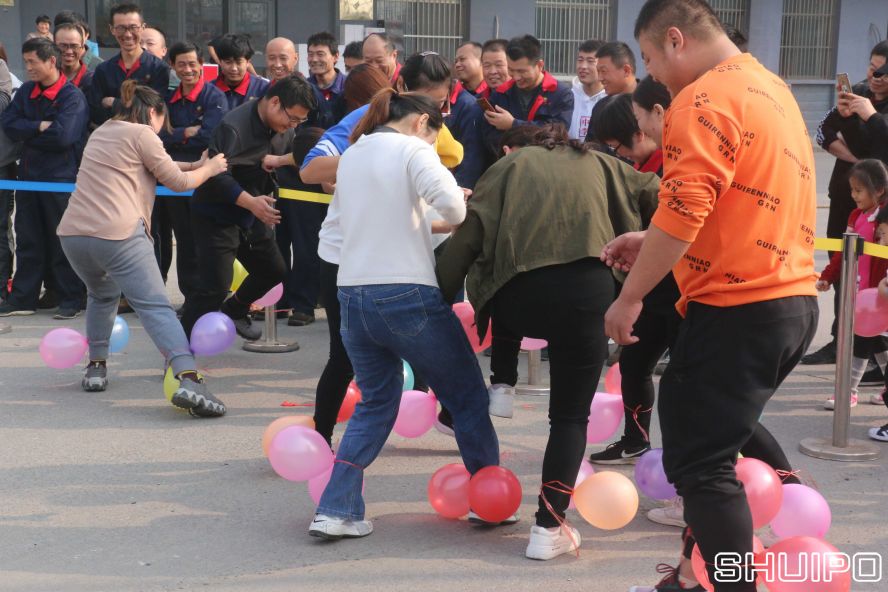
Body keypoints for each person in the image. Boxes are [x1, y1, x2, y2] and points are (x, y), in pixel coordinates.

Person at [602, 2, 818, 591]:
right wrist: (652, 240)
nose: (653, 73)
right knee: (711, 454)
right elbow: (732, 202)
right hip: (789, 299)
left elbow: (685, 208)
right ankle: (690, 579)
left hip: (738, 308)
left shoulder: (700, 99)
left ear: (676, 39)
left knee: (700, 465)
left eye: (650, 58)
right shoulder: (769, 86)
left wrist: (630, 297)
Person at [437, 123, 660, 560]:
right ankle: (548, 527)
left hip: (519, 301)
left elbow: (470, 233)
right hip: (588, 294)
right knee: (569, 418)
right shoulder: (606, 164)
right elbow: (661, 195)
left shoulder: (510, 165)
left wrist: (440, 296)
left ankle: (502, 382)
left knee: (501, 295)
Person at [309, 89, 500, 540]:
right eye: (435, 137)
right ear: (421, 123)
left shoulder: (354, 155)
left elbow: (356, 223)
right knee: (467, 396)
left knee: (375, 403)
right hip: (408, 292)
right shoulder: (414, 150)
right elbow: (453, 207)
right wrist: (457, 199)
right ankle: (489, 501)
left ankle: (336, 510)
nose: (433, 146)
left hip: (353, 294)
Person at [56, 79, 228, 416]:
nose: (162, 129)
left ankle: (96, 367)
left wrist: (195, 165)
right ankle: (189, 378)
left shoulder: (102, 131)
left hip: (74, 236)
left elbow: (156, 166)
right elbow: (178, 183)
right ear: (152, 113)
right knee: (156, 307)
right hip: (118, 234)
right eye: (163, 121)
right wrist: (210, 169)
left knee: (101, 296)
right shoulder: (143, 133)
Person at [179, 75, 316, 341]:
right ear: (275, 103)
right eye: (292, 119)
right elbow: (216, 175)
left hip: (253, 210)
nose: (293, 126)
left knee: (273, 270)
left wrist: (279, 162)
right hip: (217, 213)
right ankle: (180, 349)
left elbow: (291, 156)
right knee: (214, 287)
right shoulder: (234, 127)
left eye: (299, 122)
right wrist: (251, 202)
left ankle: (235, 310)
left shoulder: (285, 128)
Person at [586, 86, 676, 468]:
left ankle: (686, 460)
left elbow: (675, 232)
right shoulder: (638, 169)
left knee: (684, 385)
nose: (618, 154)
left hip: (683, 290)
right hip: (649, 287)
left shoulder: (675, 167)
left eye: (618, 146)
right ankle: (636, 441)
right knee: (635, 365)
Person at [803, 40, 888, 365]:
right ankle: (841, 340)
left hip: (880, 210)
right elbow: (823, 133)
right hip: (843, 200)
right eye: (872, 68)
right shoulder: (858, 93)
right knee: (843, 269)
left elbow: (881, 147)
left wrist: (871, 117)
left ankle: (873, 352)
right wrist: (860, 164)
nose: (875, 77)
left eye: (883, 72)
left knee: (875, 278)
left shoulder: (873, 110)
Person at [0, 38, 89, 319]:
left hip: (59, 179)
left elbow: (63, 136)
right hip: (28, 177)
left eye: (32, 62)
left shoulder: (72, 96)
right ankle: (23, 298)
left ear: (51, 61)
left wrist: (28, 134)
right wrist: (38, 126)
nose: (28, 68)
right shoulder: (27, 91)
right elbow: (9, 125)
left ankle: (71, 298)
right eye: (26, 62)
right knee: (29, 239)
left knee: (62, 241)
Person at [815, 159, 888, 409]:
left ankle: (848, 392)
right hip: (859, 293)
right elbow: (843, 251)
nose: (854, 195)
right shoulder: (856, 216)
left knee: (862, 342)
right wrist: (828, 276)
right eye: (852, 190)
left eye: (859, 190)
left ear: (879, 190)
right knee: (877, 343)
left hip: (879, 294)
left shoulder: (884, 219)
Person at [159, 42, 228, 304]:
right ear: (172, 66)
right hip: (173, 179)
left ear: (201, 64)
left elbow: (210, 136)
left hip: (204, 178)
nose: (187, 70)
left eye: (192, 64)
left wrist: (176, 135)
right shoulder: (167, 99)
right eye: (181, 64)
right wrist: (186, 132)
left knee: (206, 239)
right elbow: (157, 135)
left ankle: (210, 296)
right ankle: (190, 298)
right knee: (184, 239)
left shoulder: (214, 97)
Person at [482, 35, 573, 153]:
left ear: (539, 65)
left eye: (522, 71)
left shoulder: (561, 93)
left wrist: (514, 124)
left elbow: (557, 132)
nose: (516, 77)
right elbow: (490, 134)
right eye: (511, 70)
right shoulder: (500, 93)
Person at [87, 3, 170, 127]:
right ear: (112, 29)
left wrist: (114, 103)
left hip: (145, 136)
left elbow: (153, 112)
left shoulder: (158, 68)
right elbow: (96, 113)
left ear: (142, 28)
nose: (128, 34)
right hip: (112, 136)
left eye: (133, 27)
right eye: (121, 28)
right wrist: (135, 106)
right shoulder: (103, 70)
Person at [213, 34, 270, 111]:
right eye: (228, 62)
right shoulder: (209, 91)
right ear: (220, 62)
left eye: (239, 62)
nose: (234, 68)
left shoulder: (263, 89)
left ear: (248, 62)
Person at [569, 39, 606, 140]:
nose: (583, 66)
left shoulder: (611, 99)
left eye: (590, 61)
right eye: (580, 60)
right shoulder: (568, 97)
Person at [306, 31, 346, 121]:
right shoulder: (304, 87)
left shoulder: (348, 86)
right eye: (310, 54)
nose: (314, 59)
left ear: (335, 56)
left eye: (320, 54)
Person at [54, 22, 94, 94]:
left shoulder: (93, 81)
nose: (69, 51)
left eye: (74, 46)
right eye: (63, 46)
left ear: (82, 47)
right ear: (53, 46)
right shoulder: (44, 79)